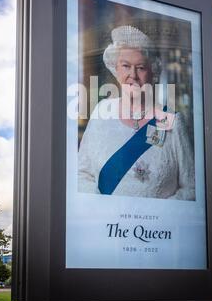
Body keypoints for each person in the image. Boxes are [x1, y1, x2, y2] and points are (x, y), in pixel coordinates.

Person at [78, 25, 195, 200]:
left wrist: (156, 215)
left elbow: (191, 188)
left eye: (140, 67)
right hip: (108, 225)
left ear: (152, 72)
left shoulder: (171, 120)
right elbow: (82, 175)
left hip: (155, 227)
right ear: (116, 69)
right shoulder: (102, 112)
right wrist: (101, 208)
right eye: (125, 66)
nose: (132, 74)